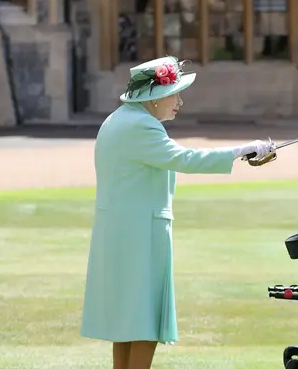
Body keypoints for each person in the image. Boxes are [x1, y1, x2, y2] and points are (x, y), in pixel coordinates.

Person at [79, 56, 275, 369]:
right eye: (175, 93)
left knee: (129, 322)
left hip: (126, 234)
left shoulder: (121, 119)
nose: (179, 101)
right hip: (139, 236)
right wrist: (242, 150)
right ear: (154, 97)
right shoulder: (139, 125)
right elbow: (185, 159)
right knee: (144, 321)